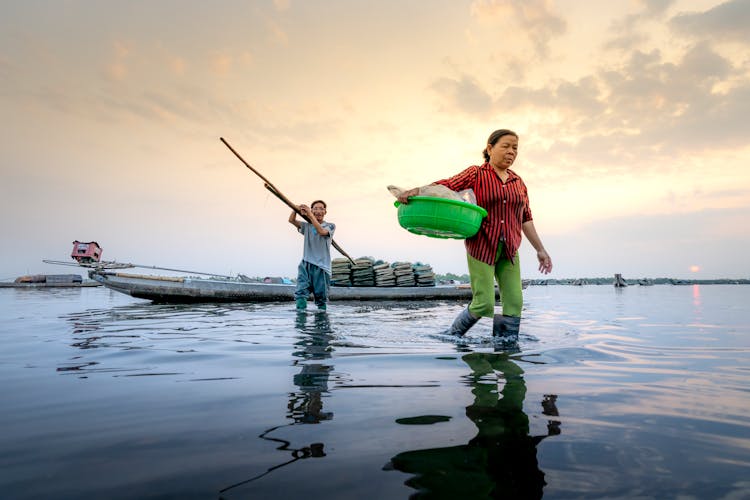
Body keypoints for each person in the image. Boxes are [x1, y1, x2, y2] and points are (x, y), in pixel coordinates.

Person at [397, 129, 552, 339]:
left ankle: (506, 348)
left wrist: (540, 250)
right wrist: (418, 190)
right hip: (482, 246)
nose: (511, 152)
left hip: (509, 249)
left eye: (515, 148)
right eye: (505, 146)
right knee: (483, 303)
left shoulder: (519, 183)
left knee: (515, 302)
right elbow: (448, 185)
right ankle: (452, 335)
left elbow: (526, 218)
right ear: (490, 148)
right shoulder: (476, 174)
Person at [289, 200, 335, 311]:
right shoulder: (307, 226)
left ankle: (321, 323)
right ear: (312, 210)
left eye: (321, 208)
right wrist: (295, 209)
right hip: (306, 263)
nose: (318, 211)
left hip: (322, 267)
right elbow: (291, 220)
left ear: (325, 211)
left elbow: (321, 231)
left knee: (321, 298)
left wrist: (310, 215)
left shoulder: (330, 226)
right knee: (300, 293)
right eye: (315, 208)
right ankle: (300, 325)